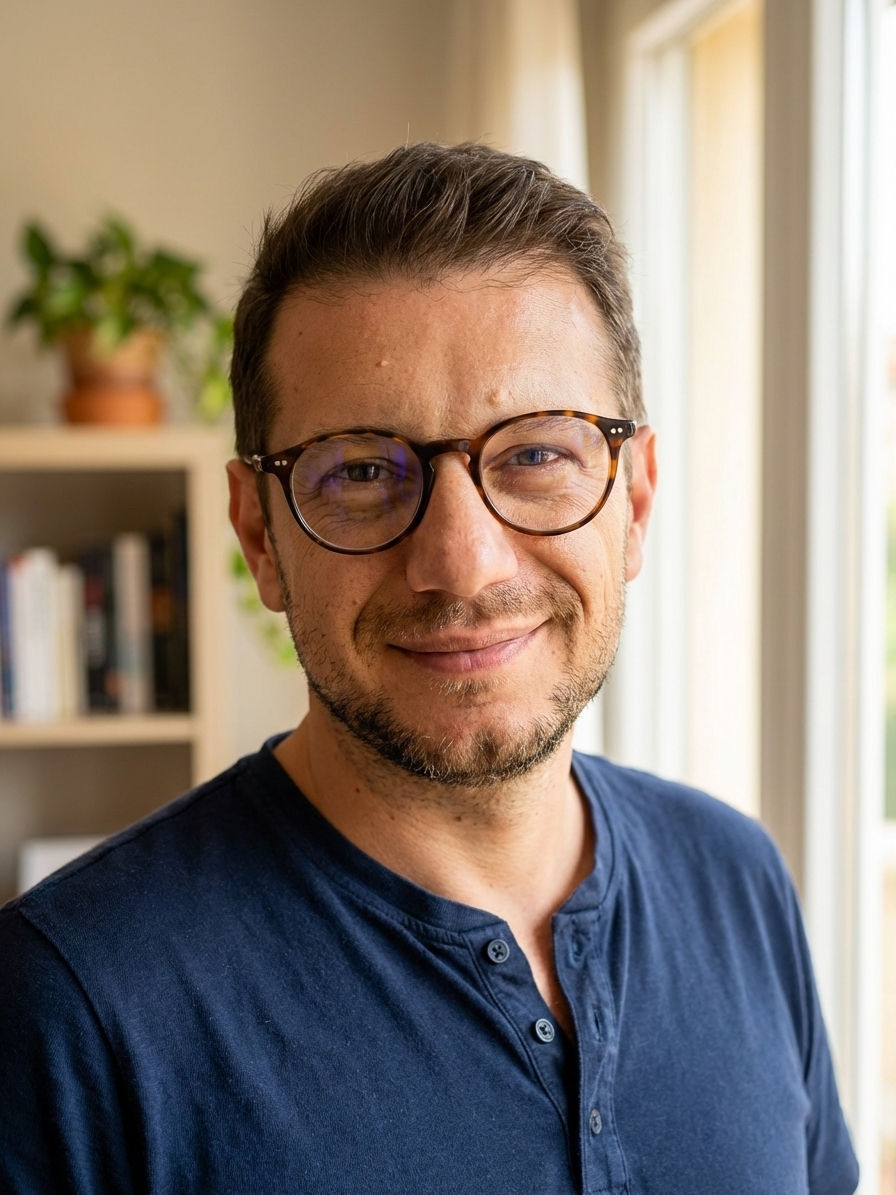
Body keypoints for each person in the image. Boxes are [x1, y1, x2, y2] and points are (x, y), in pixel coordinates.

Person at [0, 143, 858, 1195]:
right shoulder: (71, 1009)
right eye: (363, 471)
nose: (461, 562)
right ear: (258, 533)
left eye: (536, 454)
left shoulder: (736, 881)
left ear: (633, 499)